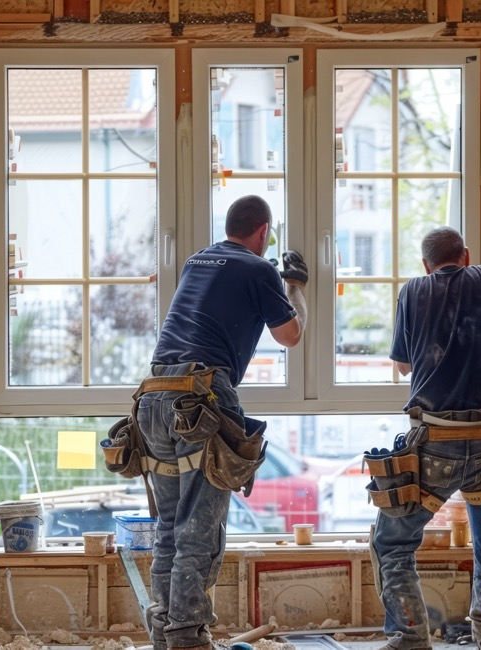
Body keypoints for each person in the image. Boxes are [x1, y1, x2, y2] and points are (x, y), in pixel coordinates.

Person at [370, 213, 481, 650]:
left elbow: (404, 366)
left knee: (392, 544)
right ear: (465, 257)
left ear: (426, 264)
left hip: (434, 443)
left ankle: (411, 639)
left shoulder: (413, 290)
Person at [135, 194, 308, 650]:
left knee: (171, 524)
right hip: (200, 399)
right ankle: (188, 637)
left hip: (153, 397)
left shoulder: (197, 260)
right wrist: (295, 287)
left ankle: (166, 630)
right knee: (200, 526)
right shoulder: (259, 270)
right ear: (264, 231)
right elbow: (291, 335)